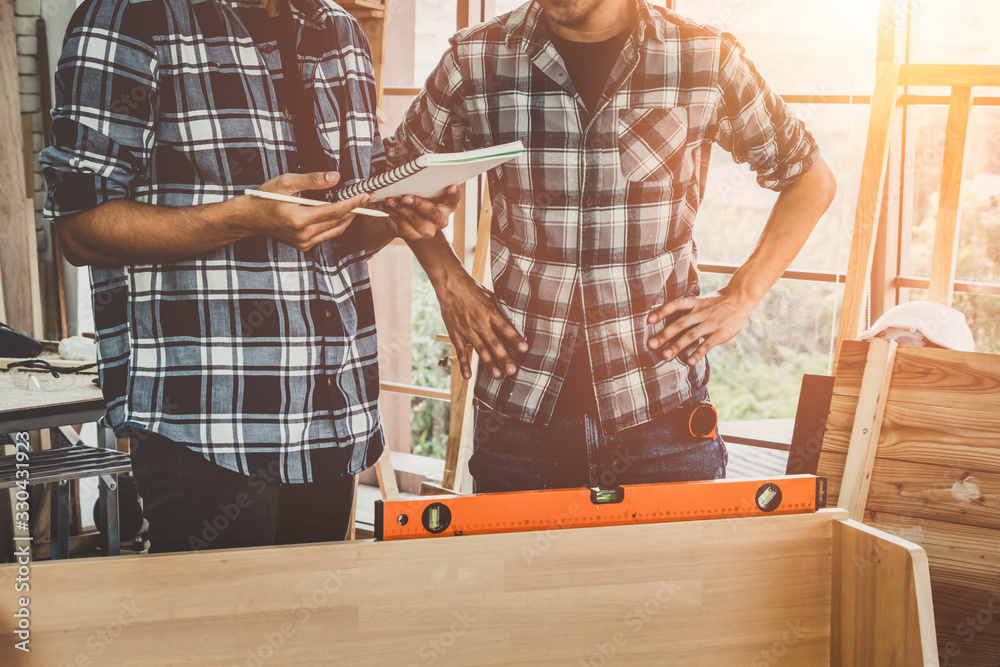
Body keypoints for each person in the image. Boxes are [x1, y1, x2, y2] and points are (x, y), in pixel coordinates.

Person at [40, 0, 458, 552]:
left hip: (334, 418)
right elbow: (79, 229)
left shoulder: (339, 30)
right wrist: (243, 217)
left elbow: (344, 229)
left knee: (315, 634)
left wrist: (400, 218)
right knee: (218, 635)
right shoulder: (128, 16)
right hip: (208, 426)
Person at [384, 0, 836, 492]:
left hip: (662, 414)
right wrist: (448, 280)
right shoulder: (478, 58)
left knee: (670, 571)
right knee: (525, 574)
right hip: (519, 417)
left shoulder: (705, 57)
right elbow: (395, 177)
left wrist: (742, 295)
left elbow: (810, 178)